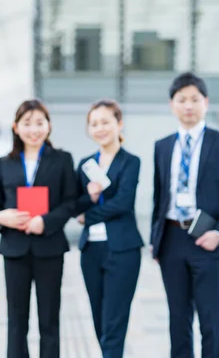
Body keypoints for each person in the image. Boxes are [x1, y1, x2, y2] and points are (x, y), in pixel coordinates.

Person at [150, 72, 219, 358]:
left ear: (206, 103)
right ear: (172, 105)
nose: (188, 105)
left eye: (194, 99)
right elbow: (159, 196)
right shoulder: (163, 146)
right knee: (178, 321)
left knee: (211, 320)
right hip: (172, 239)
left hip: (209, 238)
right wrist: (156, 240)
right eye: (182, 100)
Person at [0, 99, 76, 358]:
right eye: (27, 123)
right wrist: (0, 217)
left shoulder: (62, 160)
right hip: (15, 249)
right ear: (16, 127)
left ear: (49, 126)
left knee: (50, 320)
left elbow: (70, 201)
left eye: (39, 123)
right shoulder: (5, 163)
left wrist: (45, 222)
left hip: (49, 248)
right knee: (16, 321)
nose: (34, 129)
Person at [74, 99, 143, 357]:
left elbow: (123, 203)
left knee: (115, 321)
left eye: (105, 122)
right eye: (94, 123)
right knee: (99, 320)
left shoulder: (130, 162)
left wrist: (87, 216)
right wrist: (89, 199)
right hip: (91, 250)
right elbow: (74, 203)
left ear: (119, 124)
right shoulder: (85, 164)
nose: (100, 128)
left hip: (123, 249)